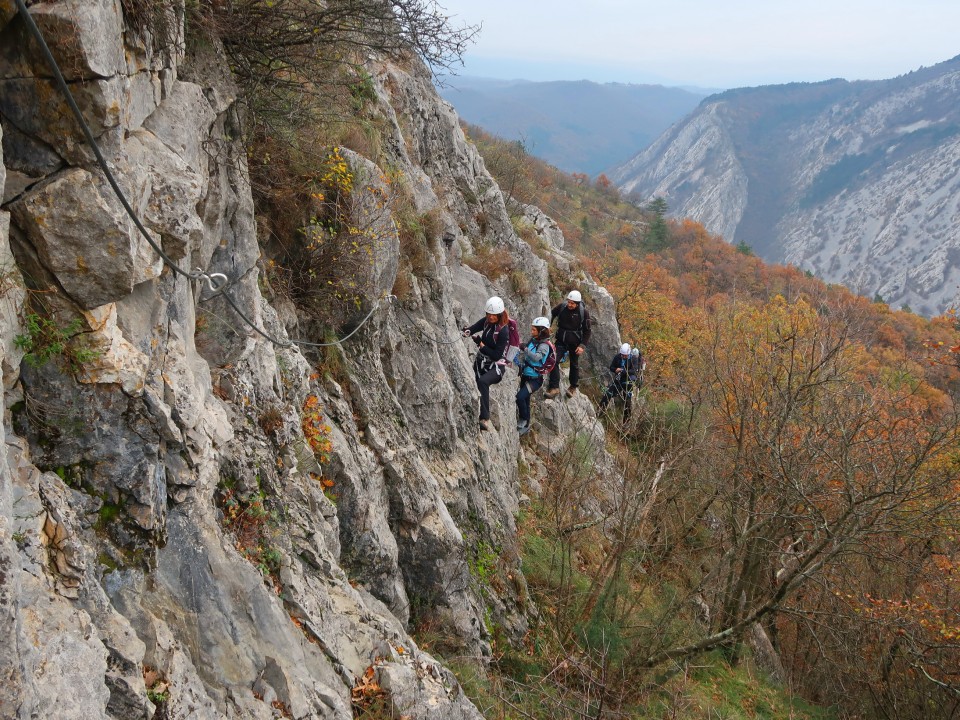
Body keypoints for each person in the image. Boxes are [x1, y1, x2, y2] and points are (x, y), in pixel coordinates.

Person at [462, 296, 510, 431]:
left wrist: (480, 344)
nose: (490, 317)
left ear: (499, 315)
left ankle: (485, 418)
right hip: (482, 362)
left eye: (493, 315)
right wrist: (467, 331)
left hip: (496, 367)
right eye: (488, 314)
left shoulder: (503, 331)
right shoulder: (486, 322)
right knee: (475, 382)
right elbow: (474, 328)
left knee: (482, 382)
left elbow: (496, 355)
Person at [545, 290, 591, 398]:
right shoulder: (562, 307)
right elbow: (552, 313)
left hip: (575, 343)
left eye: (572, 303)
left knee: (574, 364)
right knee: (554, 360)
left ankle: (573, 386)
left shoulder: (583, 312)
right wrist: (548, 325)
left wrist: (582, 346)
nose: (569, 305)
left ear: (578, 303)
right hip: (561, 340)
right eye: (569, 302)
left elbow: (587, 331)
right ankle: (554, 387)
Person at [516, 316, 554, 436]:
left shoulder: (544, 346)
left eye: (534, 330)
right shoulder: (533, 340)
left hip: (535, 379)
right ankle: (526, 425)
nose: (531, 332)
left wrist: (525, 349)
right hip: (526, 375)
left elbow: (537, 357)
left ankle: (524, 419)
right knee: (525, 399)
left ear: (541, 331)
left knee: (520, 397)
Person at [599, 343, 643, 420]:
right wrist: (615, 369)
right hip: (619, 380)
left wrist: (623, 371)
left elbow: (634, 371)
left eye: (625, 355)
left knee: (627, 402)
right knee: (608, 394)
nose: (623, 357)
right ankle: (600, 412)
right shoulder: (618, 357)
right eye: (622, 355)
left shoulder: (633, 359)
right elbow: (612, 367)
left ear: (629, 353)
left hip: (628, 380)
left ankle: (626, 422)